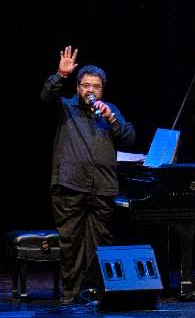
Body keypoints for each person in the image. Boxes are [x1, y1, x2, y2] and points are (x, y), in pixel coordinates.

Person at [40, 46, 137, 304]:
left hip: (103, 188)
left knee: (100, 244)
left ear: (102, 90)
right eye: (86, 85)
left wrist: (113, 119)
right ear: (78, 88)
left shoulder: (110, 110)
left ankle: (93, 292)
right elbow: (46, 96)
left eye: (96, 86)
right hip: (70, 186)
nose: (91, 90)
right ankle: (70, 295)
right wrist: (61, 75)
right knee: (71, 242)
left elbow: (129, 137)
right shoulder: (65, 107)